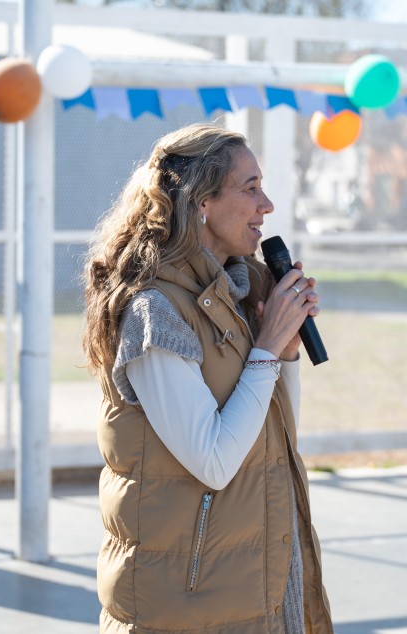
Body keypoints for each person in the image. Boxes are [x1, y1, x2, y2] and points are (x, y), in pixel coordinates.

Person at [82, 123, 333, 634]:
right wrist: (265, 351)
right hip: (184, 605)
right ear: (201, 201)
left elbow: (274, 439)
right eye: (250, 188)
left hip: (252, 582)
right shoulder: (155, 313)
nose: (267, 206)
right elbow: (215, 461)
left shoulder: (239, 294)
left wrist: (284, 353)